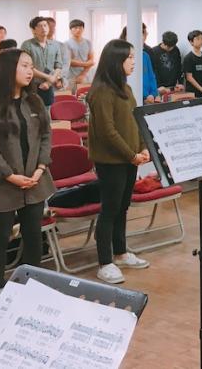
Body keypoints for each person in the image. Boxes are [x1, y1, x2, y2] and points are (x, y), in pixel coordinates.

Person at [0, 48, 56, 294]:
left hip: (34, 180)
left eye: (31, 66)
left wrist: (40, 168)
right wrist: (10, 175)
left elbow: (45, 136)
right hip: (1, 183)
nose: (30, 71)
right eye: (24, 66)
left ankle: (33, 285)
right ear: (9, 69)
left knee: (33, 235)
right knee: (0, 238)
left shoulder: (34, 101)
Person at [87, 40, 151, 285]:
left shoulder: (126, 88)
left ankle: (121, 252)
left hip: (129, 158)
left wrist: (142, 147)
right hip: (111, 161)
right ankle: (105, 262)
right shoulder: (101, 91)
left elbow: (135, 120)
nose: (134, 62)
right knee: (110, 209)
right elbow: (107, 131)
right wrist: (131, 155)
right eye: (129, 58)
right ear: (116, 61)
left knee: (123, 206)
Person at [21, 17, 62, 107]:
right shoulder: (27, 45)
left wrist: (49, 81)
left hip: (48, 86)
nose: (43, 28)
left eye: (45, 25)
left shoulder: (55, 45)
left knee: (47, 111)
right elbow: (28, 67)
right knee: (32, 110)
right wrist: (48, 77)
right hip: (32, 84)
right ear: (33, 30)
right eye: (40, 26)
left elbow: (58, 66)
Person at [120, 25, 158, 103]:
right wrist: (145, 95)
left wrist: (153, 94)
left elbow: (151, 76)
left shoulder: (145, 55)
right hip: (132, 97)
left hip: (148, 98)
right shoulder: (122, 56)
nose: (144, 37)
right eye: (142, 34)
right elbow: (129, 79)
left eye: (143, 35)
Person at [44, 17, 72, 91]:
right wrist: (52, 78)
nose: (52, 29)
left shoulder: (61, 45)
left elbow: (66, 64)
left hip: (60, 82)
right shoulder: (38, 46)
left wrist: (58, 78)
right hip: (44, 80)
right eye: (49, 26)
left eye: (53, 26)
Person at [66, 19, 95, 90]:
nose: (78, 30)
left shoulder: (88, 42)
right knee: (72, 95)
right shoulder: (66, 44)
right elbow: (69, 61)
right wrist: (86, 64)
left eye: (80, 28)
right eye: (75, 28)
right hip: (72, 76)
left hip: (86, 75)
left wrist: (83, 75)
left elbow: (91, 59)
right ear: (70, 30)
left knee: (86, 94)